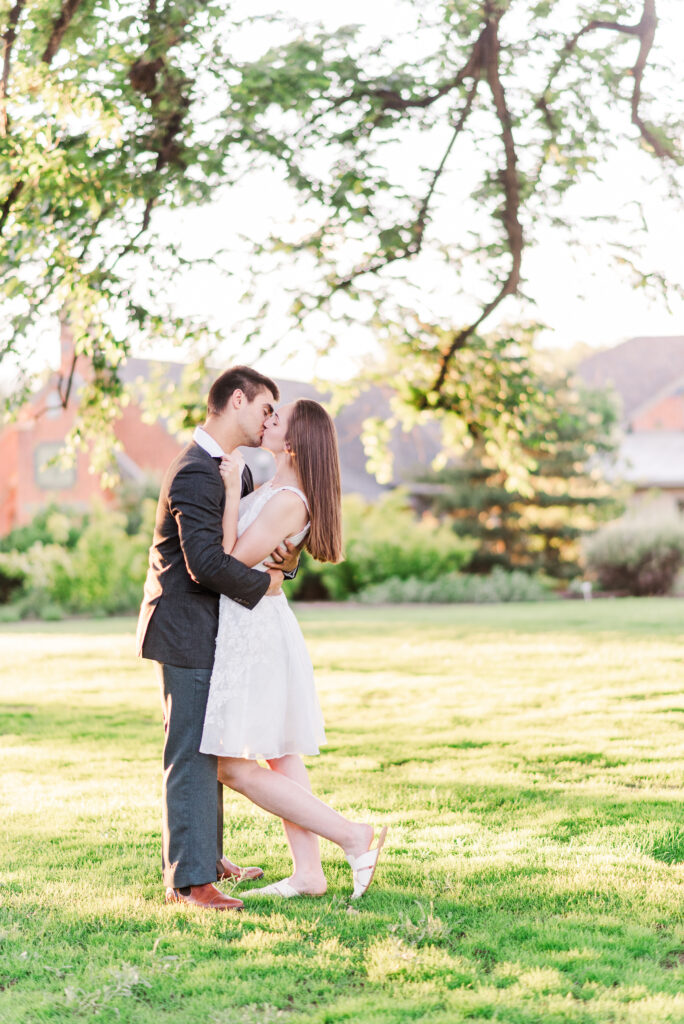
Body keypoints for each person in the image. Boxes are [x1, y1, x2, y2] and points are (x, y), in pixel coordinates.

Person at [199, 398, 387, 900]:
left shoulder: (288, 499)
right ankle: (309, 873)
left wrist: (226, 489)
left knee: (227, 762)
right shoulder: (278, 490)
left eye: (276, 419)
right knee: (281, 754)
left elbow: (231, 559)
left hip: (256, 630)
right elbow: (257, 557)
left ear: (294, 440)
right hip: (256, 622)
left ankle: (352, 835)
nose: (267, 421)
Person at [136, 366, 299, 912]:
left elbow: (258, 523)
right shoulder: (196, 472)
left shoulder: (223, 470)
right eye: (264, 408)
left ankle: (207, 855)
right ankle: (191, 881)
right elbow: (205, 564)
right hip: (184, 629)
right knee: (190, 753)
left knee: (211, 745)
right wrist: (270, 583)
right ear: (236, 400)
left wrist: (289, 556)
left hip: (203, 630)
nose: (269, 420)